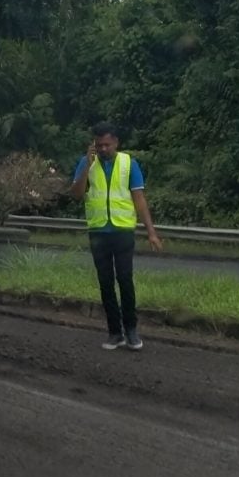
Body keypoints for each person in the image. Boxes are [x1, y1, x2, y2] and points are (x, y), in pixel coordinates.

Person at [70, 122, 163, 351]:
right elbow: (76, 194)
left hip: (122, 231)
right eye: (99, 145)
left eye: (107, 145)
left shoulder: (128, 164)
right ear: (93, 145)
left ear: (116, 143)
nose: (103, 149)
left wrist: (151, 232)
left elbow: (139, 199)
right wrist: (86, 167)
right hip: (98, 231)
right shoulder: (86, 163)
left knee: (125, 280)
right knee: (105, 283)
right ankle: (114, 332)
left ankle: (131, 330)